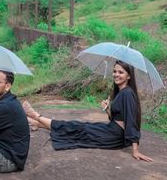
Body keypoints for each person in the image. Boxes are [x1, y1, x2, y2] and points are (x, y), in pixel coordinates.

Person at [23, 60, 153, 162]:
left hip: (114, 136)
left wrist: (135, 149)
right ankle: (37, 123)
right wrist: (108, 110)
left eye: (121, 72)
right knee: (80, 126)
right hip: (111, 130)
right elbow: (118, 118)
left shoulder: (127, 94)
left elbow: (130, 120)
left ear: (129, 76)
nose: (116, 75)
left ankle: (37, 116)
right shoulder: (121, 92)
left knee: (80, 128)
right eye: (114, 71)